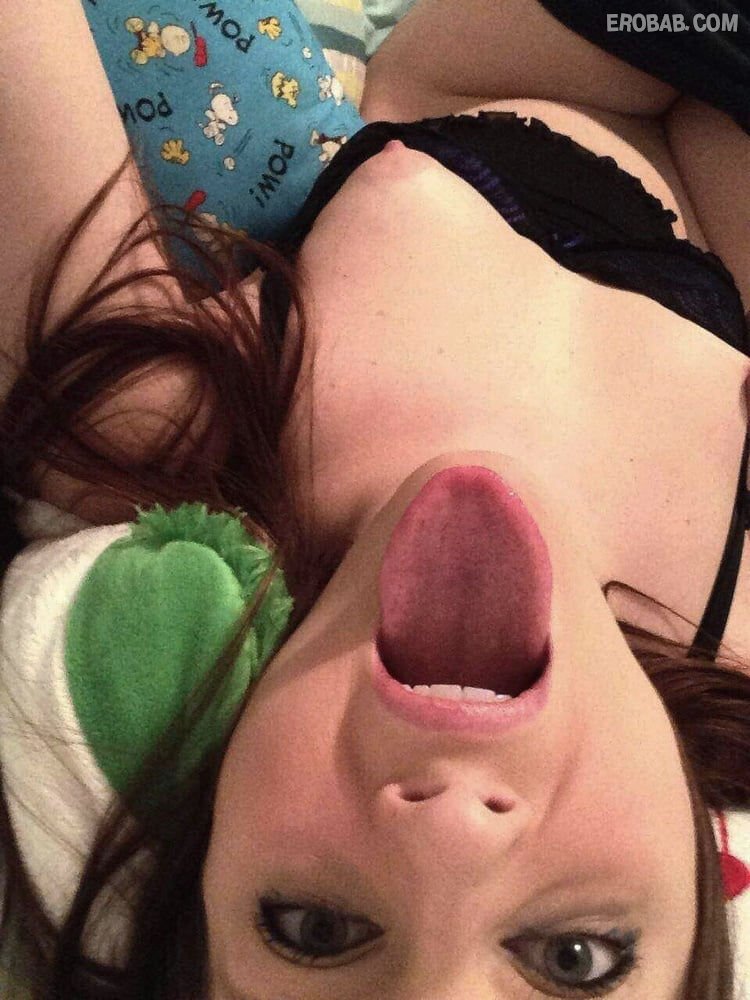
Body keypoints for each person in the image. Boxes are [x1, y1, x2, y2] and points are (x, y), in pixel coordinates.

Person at [1, 1, 750, 997]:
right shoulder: (735, 628)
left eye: (313, 927)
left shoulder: (154, 439)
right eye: (576, 957)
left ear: (197, 866)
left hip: (481, 78)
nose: (451, 829)